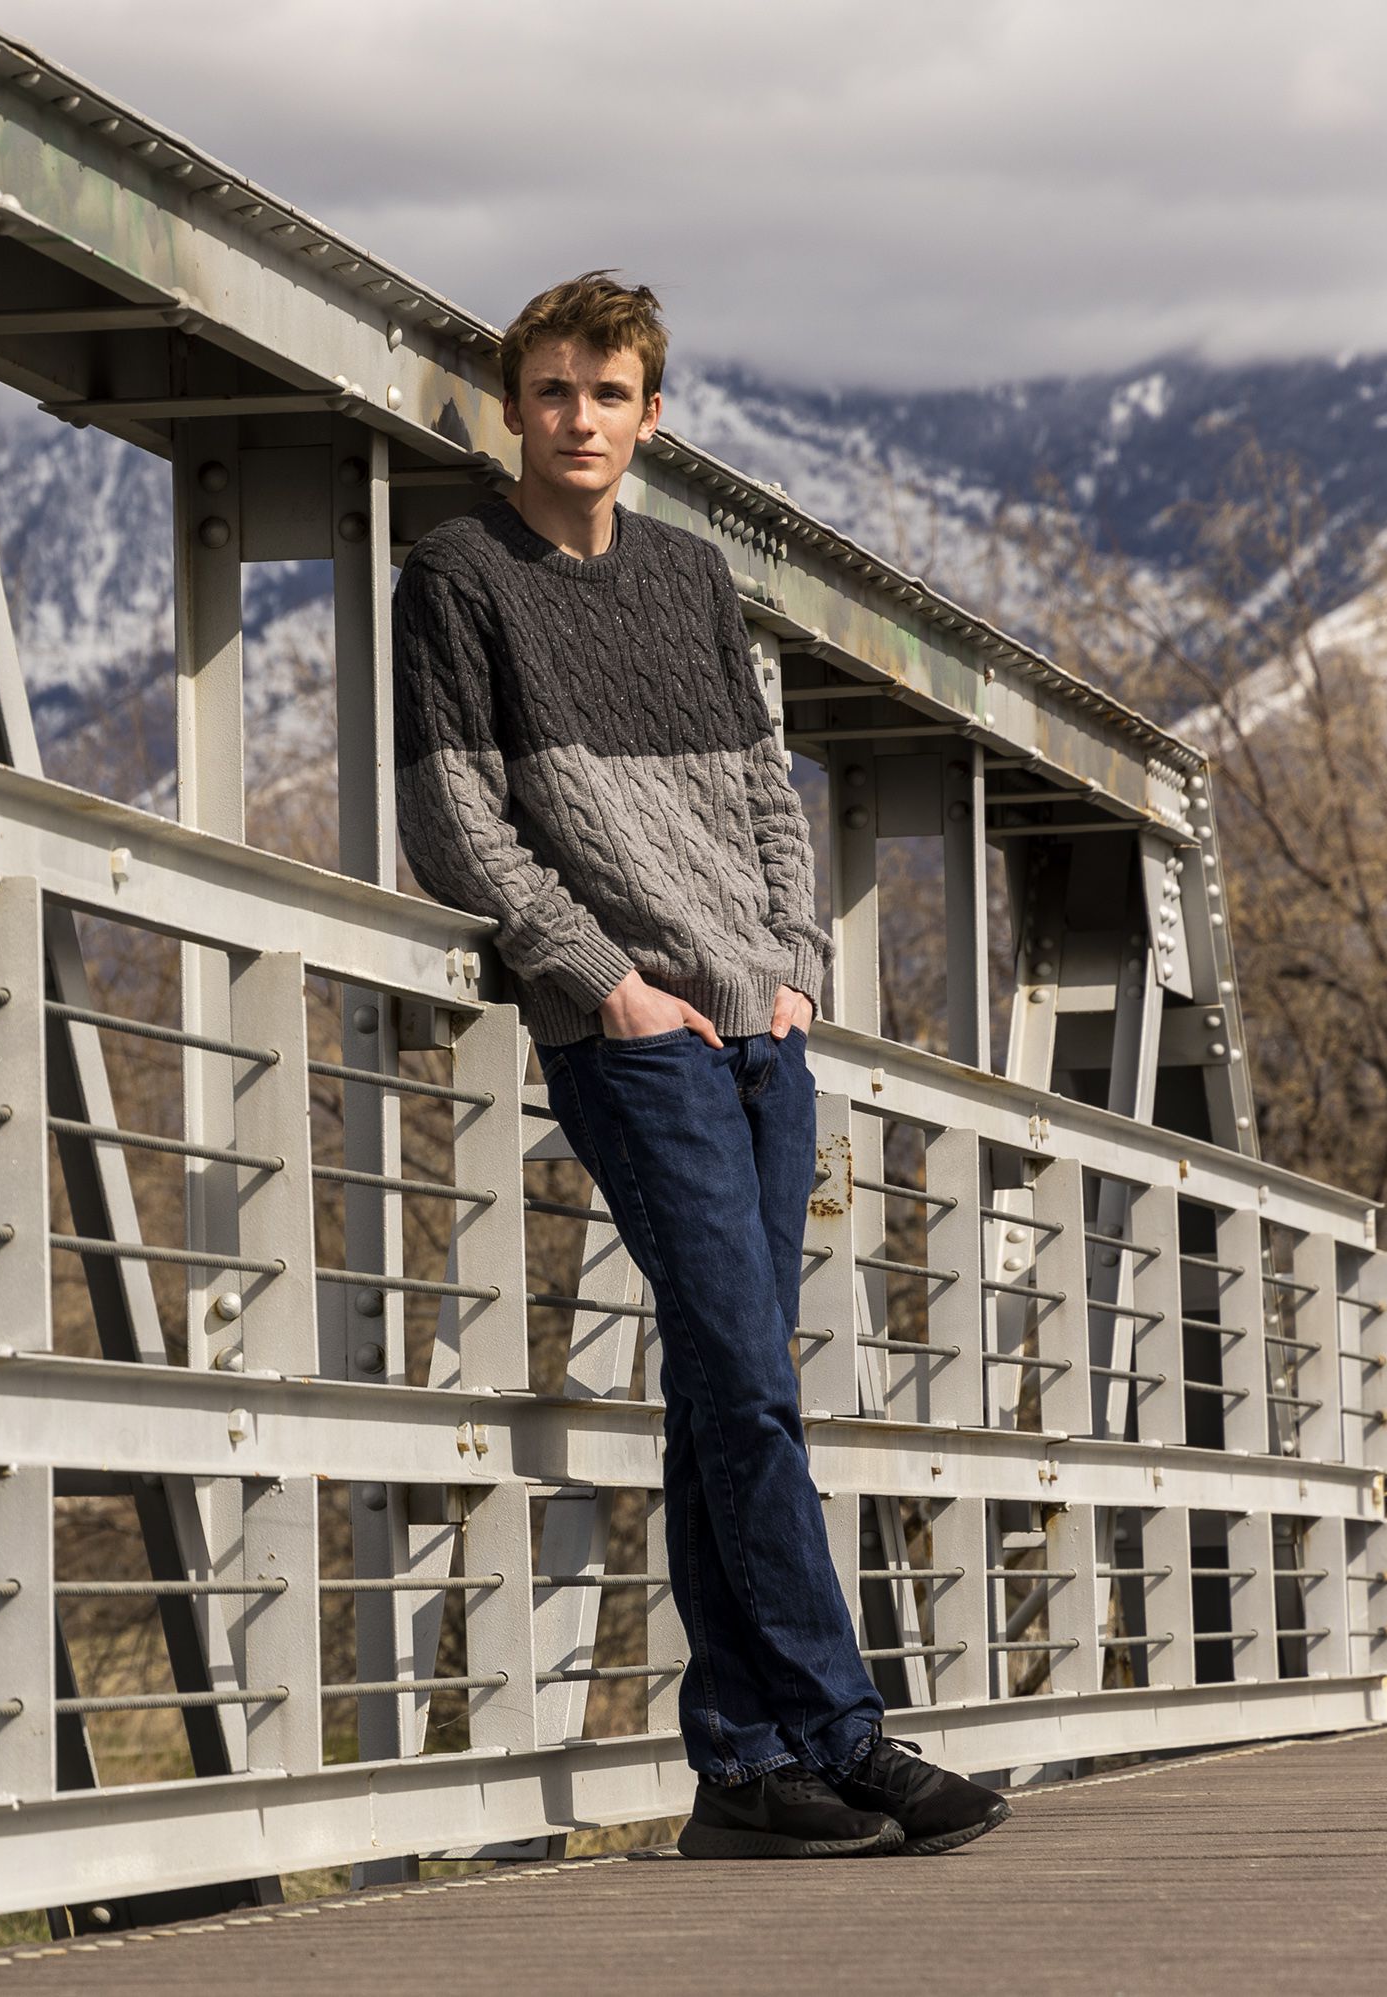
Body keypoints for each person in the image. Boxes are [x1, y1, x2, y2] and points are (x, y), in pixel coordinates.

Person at [391, 270, 1010, 1861]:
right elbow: (455, 815)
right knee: (745, 1375)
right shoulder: (459, 575)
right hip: (635, 1034)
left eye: (608, 394)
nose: (578, 419)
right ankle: (845, 1731)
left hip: (759, 1030)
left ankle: (742, 1766)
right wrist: (602, 982)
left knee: (726, 1388)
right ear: (511, 406)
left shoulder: (690, 576)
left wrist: (793, 967)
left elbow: (763, 794)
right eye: (551, 390)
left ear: (651, 417)